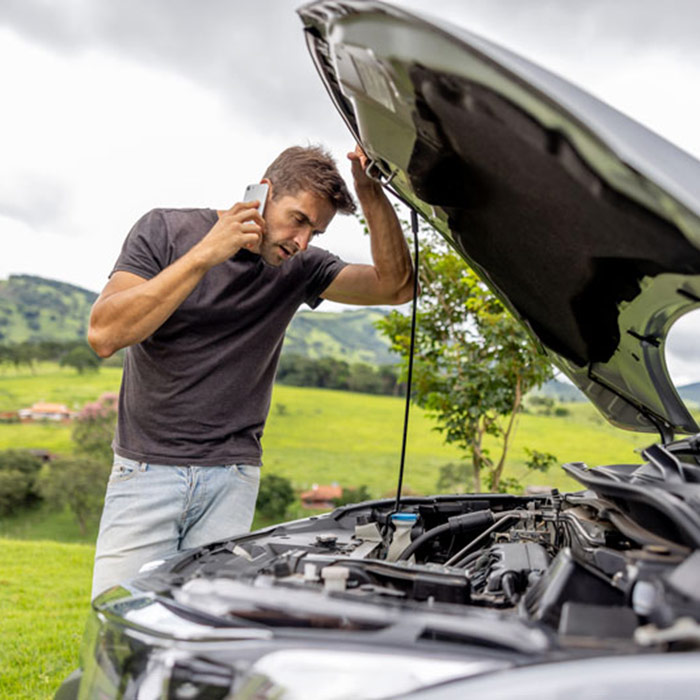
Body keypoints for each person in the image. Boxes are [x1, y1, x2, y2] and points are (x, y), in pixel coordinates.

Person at [87, 144, 414, 598]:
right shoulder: (165, 229)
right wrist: (205, 254)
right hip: (146, 471)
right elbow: (106, 334)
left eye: (315, 232)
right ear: (262, 194)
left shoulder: (299, 268)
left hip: (232, 478)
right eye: (298, 219)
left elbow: (396, 287)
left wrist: (370, 192)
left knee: (208, 629)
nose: (302, 242)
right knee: (119, 613)